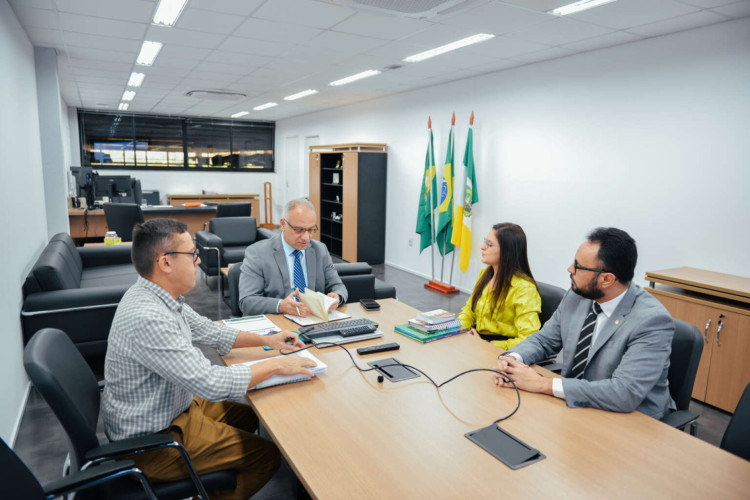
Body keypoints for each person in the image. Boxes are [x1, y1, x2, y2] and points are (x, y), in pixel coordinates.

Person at [101, 218, 316, 500]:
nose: (198, 260)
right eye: (192, 254)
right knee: (266, 455)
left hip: (174, 407)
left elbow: (209, 330)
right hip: (153, 442)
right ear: (165, 262)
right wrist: (277, 364)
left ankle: (211, 482)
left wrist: (267, 341)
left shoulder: (161, 296)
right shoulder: (149, 317)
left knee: (253, 414)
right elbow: (211, 382)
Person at [493, 227, 675, 419]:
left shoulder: (651, 321)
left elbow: (624, 393)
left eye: (578, 266)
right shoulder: (577, 296)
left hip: (633, 418)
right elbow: (544, 340)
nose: (570, 269)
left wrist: (542, 384)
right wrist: (513, 359)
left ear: (607, 279)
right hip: (576, 404)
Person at [238, 198, 348, 316]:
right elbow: (247, 301)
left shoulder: (320, 250)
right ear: (283, 224)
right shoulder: (257, 253)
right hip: (277, 321)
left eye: (311, 230)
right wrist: (281, 305)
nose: (306, 237)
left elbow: (338, 286)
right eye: (299, 230)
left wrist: (337, 297)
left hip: (311, 319)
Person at [458, 223, 541, 350]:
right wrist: (459, 330)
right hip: (477, 343)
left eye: (489, 245)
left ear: (507, 251)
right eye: (485, 242)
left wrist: (488, 345)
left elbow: (528, 338)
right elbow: (469, 311)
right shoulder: (485, 274)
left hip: (500, 351)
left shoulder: (524, 289)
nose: (482, 247)